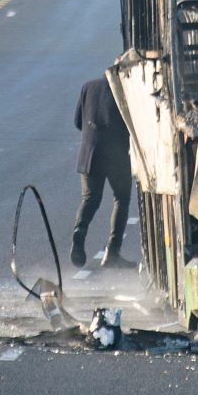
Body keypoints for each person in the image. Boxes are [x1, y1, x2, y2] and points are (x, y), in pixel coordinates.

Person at [71, 74, 132, 268]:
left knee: (90, 199)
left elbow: (78, 122)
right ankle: (113, 251)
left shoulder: (88, 85)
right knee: (121, 198)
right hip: (116, 154)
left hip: (90, 153)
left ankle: (79, 230)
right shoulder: (124, 90)